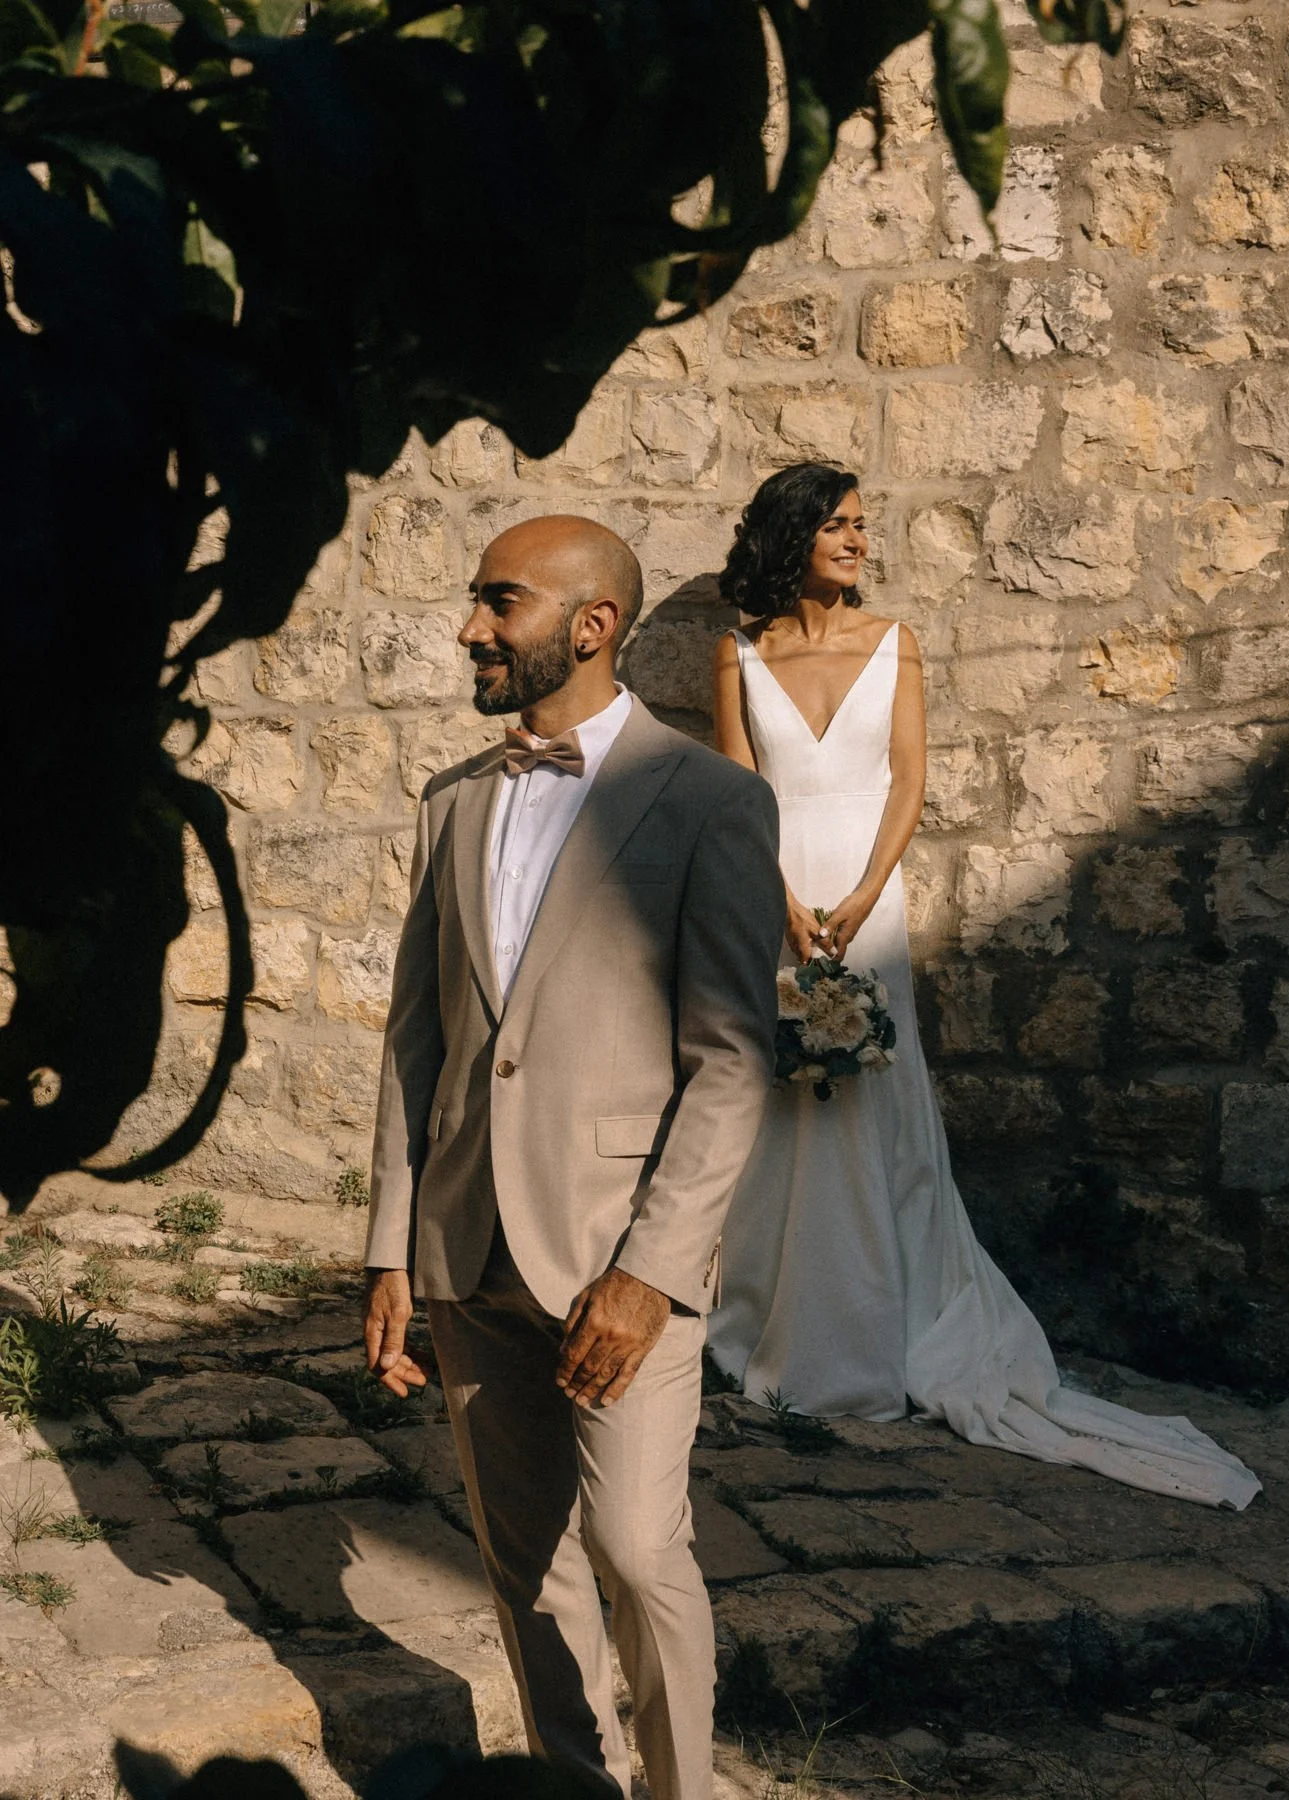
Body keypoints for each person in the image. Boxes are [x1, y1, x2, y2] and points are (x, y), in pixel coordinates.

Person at [704, 463, 1261, 1511]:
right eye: (839, 525)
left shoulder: (894, 643)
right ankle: (770, 1318)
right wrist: (779, 901)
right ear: (793, 535)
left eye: (865, 525)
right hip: (769, 891)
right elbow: (737, 793)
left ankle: (882, 1322)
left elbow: (911, 779)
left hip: (866, 891)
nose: (860, 541)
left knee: (874, 1092)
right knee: (780, 1091)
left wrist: (865, 895)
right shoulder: (737, 655)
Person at [362, 514, 786, 1800]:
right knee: (520, 1556)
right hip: (462, 1245)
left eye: (500, 602)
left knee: (638, 1551)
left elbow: (730, 1061)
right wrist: (390, 1248)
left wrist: (651, 1271)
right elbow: (415, 1041)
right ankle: (569, 1785)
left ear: (591, 625)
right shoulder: (451, 802)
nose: (469, 629)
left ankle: (677, 1791)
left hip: (619, 1251)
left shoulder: (713, 802)